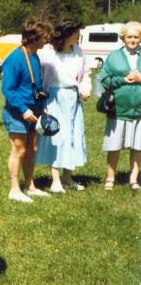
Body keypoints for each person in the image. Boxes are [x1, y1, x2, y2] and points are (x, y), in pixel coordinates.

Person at [35, 20, 91, 193]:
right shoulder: (48, 52)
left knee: (74, 136)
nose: (79, 35)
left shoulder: (79, 51)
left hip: (73, 99)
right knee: (58, 138)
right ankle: (56, 180)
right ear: (67, 34)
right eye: (76, 32)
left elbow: (85, 75)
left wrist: (84, 88)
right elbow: (38, 73)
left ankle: (68, 176)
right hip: (54, 98)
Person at [1, 20, 52, 203]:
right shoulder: (15, 58)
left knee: (32, 148)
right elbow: (7, 89)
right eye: (44, 37)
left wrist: (42, 105)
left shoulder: (35, 56)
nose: (47, 40)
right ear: (33, 37)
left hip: (34, 111)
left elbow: (35, 84)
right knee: (19, 150)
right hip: (17, 113)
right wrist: (23, 109)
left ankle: (30, 186)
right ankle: (14, 189)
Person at [100, 21, 141, 191]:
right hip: (118, 109)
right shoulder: (114, 56)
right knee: (114, 146)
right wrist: (122, 80)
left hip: (139, 110)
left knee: (138, 147)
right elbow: (104, 79)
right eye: (129, 36)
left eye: (136, 37)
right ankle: (110, 178)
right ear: (123, 37)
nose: (132, 40)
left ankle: (134, 179)